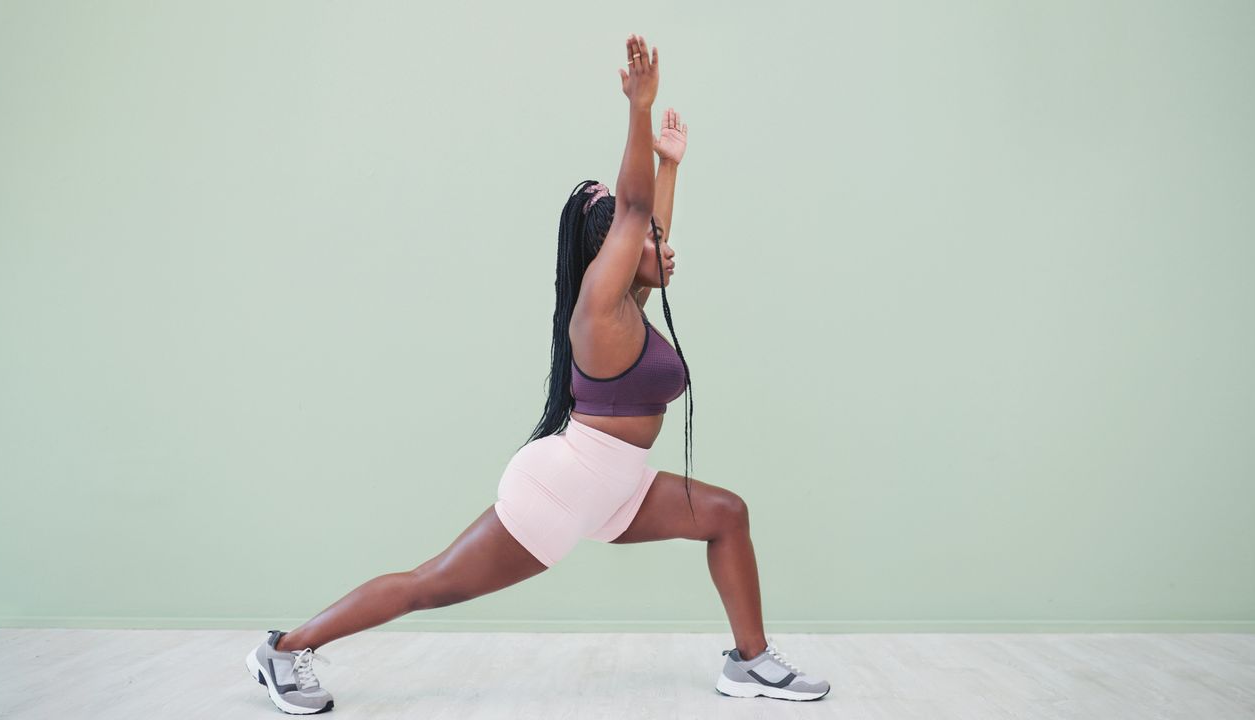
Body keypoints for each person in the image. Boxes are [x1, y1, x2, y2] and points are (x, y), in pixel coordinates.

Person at [244, 34, 830, 713]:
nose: (661, 248)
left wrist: (670, 167)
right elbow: (636, 215)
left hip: (615, 489)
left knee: (727, 515)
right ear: (608, 252)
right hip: (560, 489)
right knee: (429, 584)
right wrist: (640, 111)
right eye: (641, 240)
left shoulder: (628, 308)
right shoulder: (598, 313)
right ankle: (285, 649)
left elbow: (650, 223)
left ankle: (750, 662)